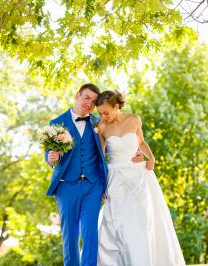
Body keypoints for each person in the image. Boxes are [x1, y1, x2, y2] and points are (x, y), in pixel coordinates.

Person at [45, 84, 143, 266]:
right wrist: (51, 158)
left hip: (93, 186)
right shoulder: (56, 124)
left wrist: (136, 151)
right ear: (78, 95)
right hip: (66, 186)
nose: (89, 103)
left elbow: (122, 136)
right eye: (86, 98)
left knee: (90, 234)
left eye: (93, 101)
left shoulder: (99, 122)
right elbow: (50, 154)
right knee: (70, 236)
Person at [95, 90, 185, 266]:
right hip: (115, 179)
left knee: (141, 220)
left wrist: (150, 157)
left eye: (106, 112)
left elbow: (141, 143)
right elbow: (100, 158)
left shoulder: (134, 120)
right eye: (100, 113)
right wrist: (101, 185)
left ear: (116, 106)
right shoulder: (103, 128)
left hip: (137, 177)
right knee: (118, 224)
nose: (103, 117)